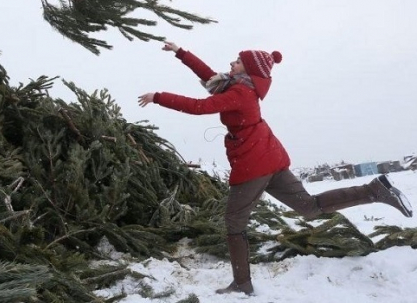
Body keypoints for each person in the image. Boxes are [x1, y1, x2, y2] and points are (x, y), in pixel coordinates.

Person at [138, 41, 413, 296]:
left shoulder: (239, 93)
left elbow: (199, 107)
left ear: (248, 69)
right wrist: (180, 52)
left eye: (237, 61)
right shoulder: (236, 86)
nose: (231, 63)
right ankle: (374, 190)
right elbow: (209, 75)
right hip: (270, 156)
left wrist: (158, 96)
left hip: (253, 163)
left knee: (234, 221)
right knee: (309, 207)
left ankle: (241, 283)